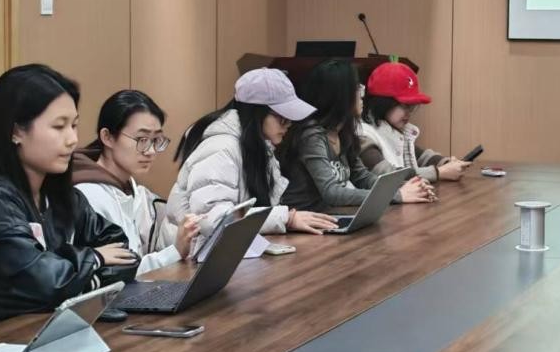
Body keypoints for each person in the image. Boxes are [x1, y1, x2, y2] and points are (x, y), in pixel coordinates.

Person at [0, 65, 139, 343]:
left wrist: (80, 278)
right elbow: (47, 283)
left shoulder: (61, 195)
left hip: (35, 338)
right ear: (17, 131)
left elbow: (123, 252)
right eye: (59, 126)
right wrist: (94, 259)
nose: (73, 139)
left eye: (74, 125)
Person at [167, 68, 339, 245]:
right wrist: (285, 218)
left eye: (290, 118)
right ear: (256, 113)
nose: (288, 124)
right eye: (282, 117)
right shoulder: (221, 148)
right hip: (193, 255)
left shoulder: (259, 146)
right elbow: (215, 220)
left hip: (226, 250)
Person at [72, 90, 200, 276]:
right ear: (107, 137)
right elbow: (121, 271)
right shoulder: (88, 195)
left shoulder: (136, 191)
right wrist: (175, 251)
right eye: (142, 139)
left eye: (156, 140)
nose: (151, 151)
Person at [279, 59, 436, 211]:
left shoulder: (343, 132)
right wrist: (396, 195)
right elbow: (332, 193)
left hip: (330, 216)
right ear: (340, 95)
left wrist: (407, 187)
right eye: (356, 88)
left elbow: (363, 178)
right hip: (302, 220)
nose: (362, 94)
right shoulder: (311, 135)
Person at [357, 61, 470, 183]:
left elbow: (421, 156)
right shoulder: (363, 134)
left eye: (412, 107)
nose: (409, 113)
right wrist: (439, 172)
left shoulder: (397, 129)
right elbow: (386, 174)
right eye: (405, 106)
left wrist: (447, 163)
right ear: (383, 103)